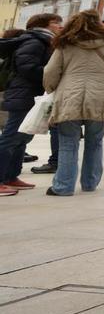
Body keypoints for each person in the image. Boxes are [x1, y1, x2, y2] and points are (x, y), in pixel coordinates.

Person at [42, 10, 104, 196]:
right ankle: (90, 183)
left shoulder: (65, 43)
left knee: (67, 143)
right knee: (95, 143)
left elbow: (50, 71)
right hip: (100, 98)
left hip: (69, 97)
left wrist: (50, 88)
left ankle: (63, 186)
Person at [0, 13, 62, 197]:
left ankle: (11, 176)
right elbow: (27, 67)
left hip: (29, 95)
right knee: (11, 138)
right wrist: (52, 71)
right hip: (23, 95)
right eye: (56, 23)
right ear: (43, 25)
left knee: (22, 139)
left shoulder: (43, 41)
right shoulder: (35, 41)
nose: (60, 26)